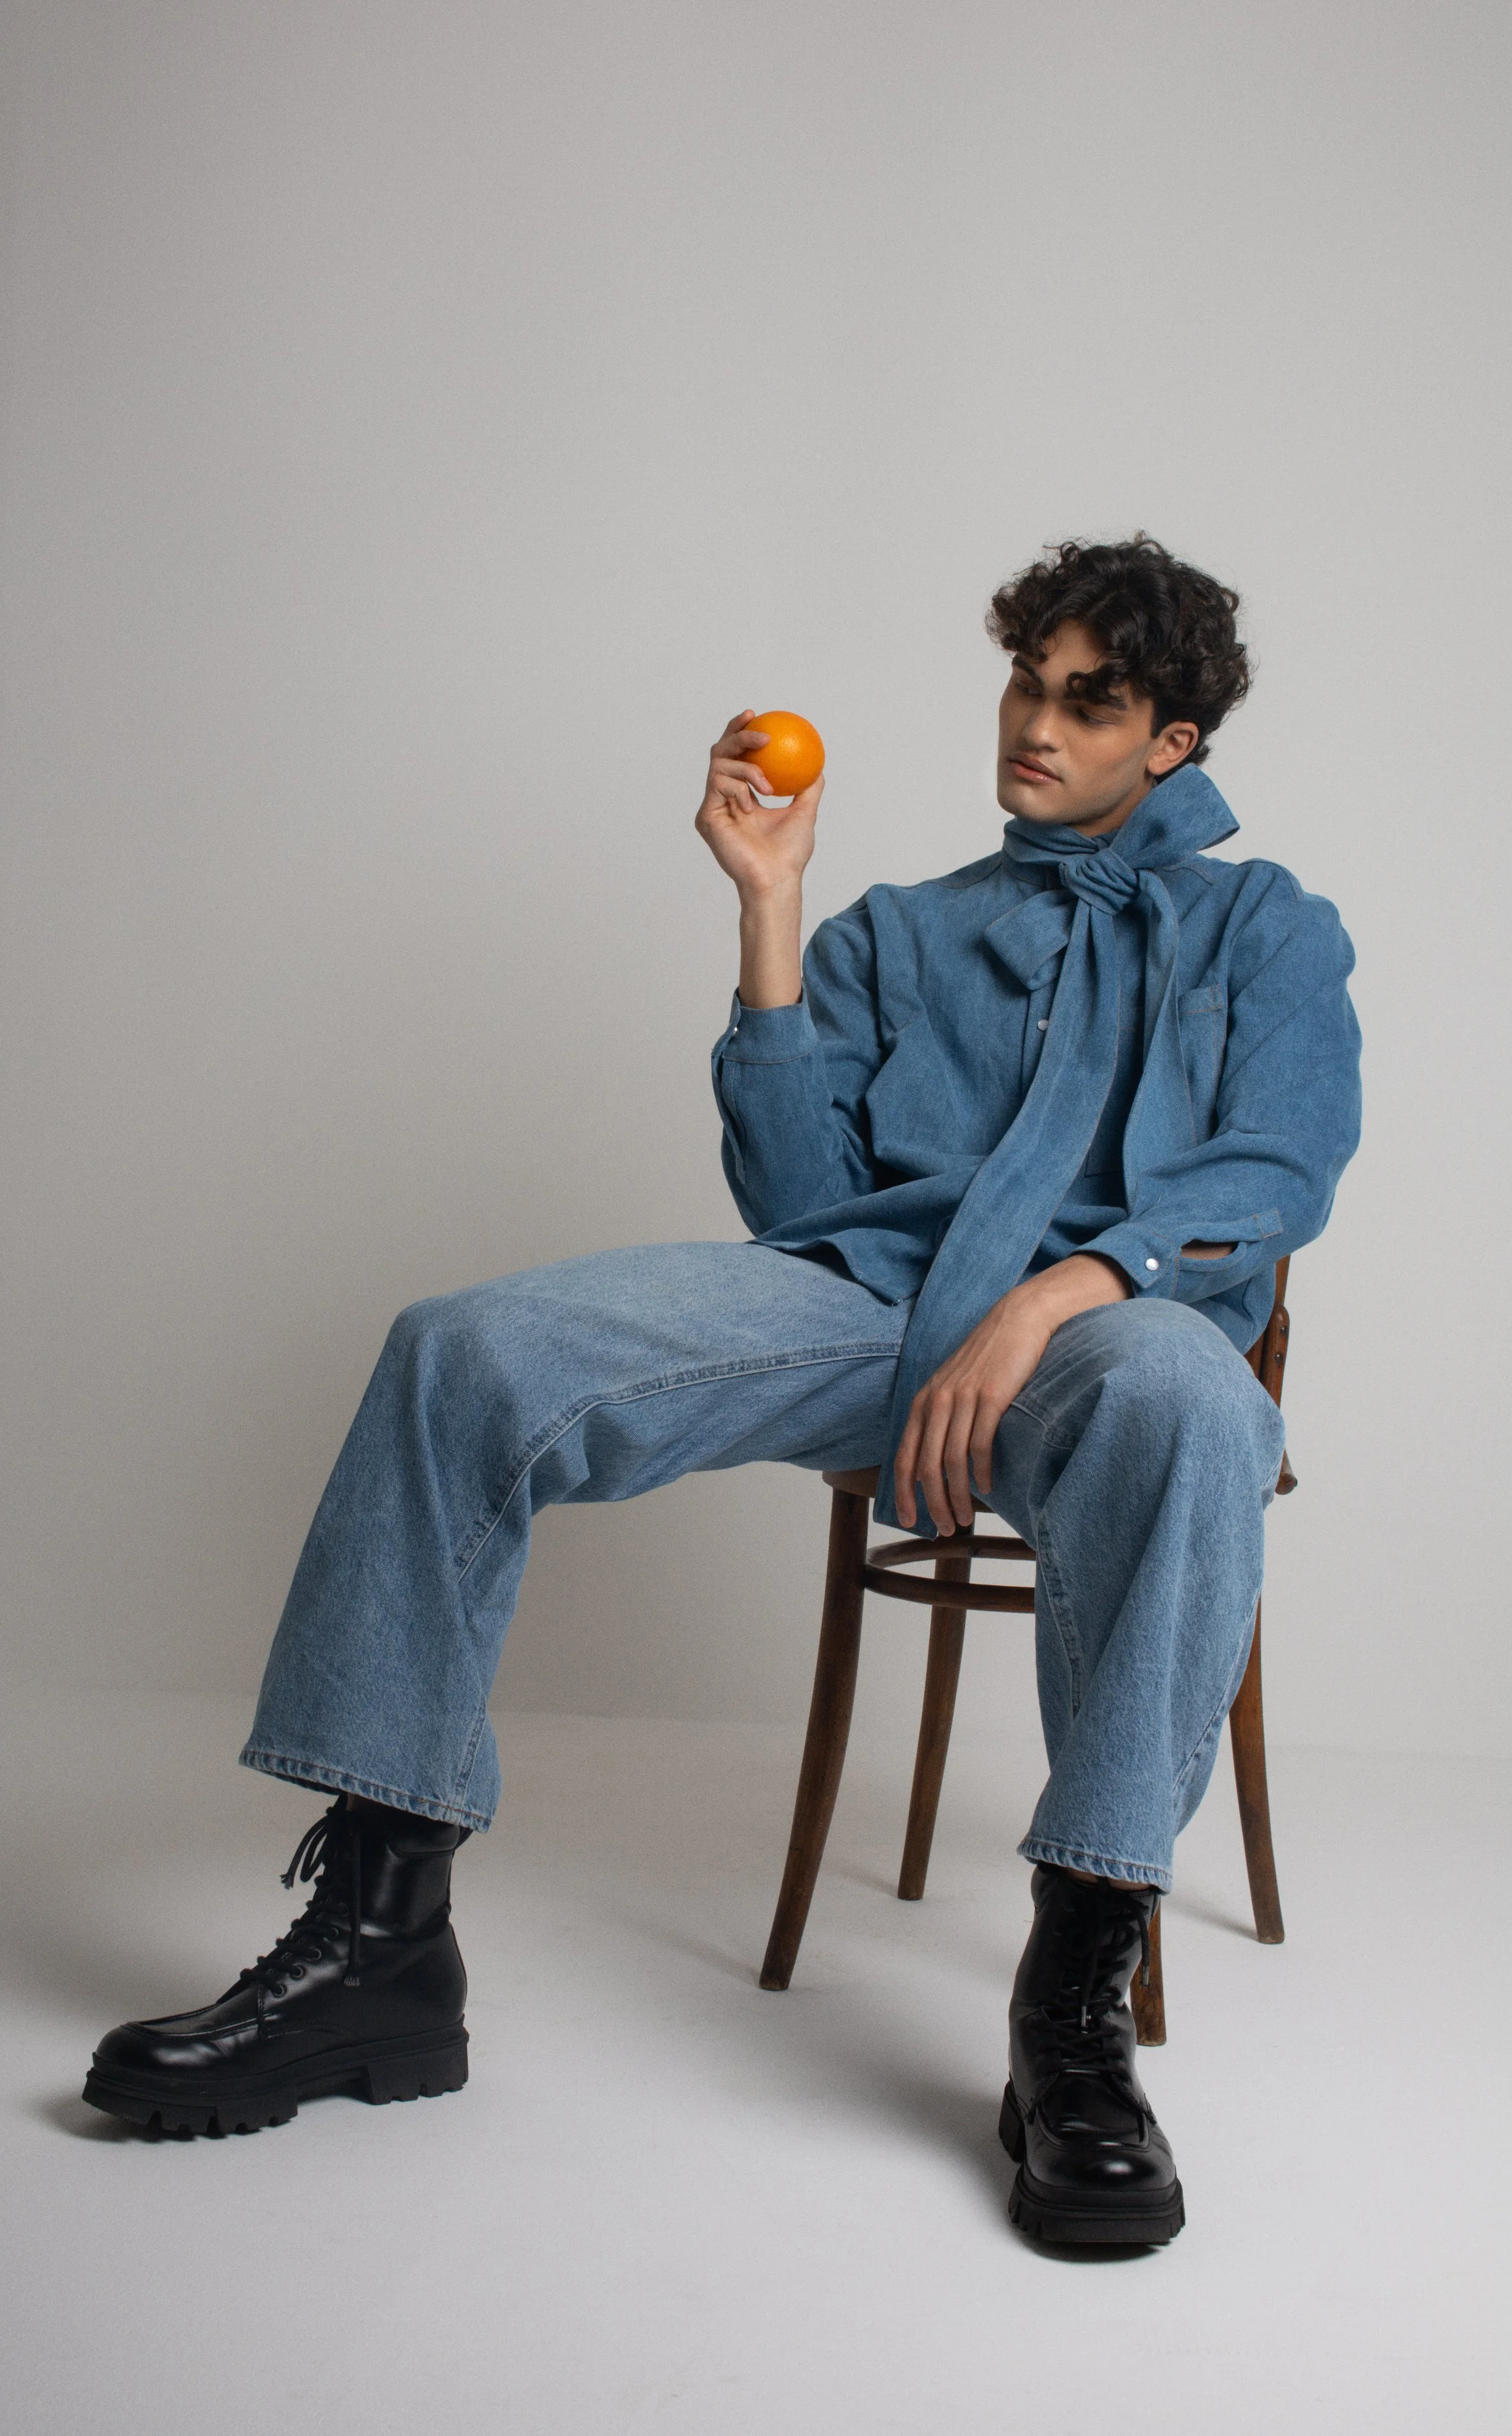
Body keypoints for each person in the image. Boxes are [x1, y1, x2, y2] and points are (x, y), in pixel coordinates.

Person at [83, 535, 1361, 2248]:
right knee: (462, 1349)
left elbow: (1276, 1166)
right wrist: (768, 904)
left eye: (1089, 700)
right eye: (1022, 683)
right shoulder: (909, 933)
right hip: (877, 1308)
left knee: (1193, 1401)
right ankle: (379, 1943)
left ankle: (1069, 2012)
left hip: (1113, 1334)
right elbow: (791, 1203)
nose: (1033, 725)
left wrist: (1062, 1284)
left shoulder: (1266, 926)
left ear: (1174, 740)